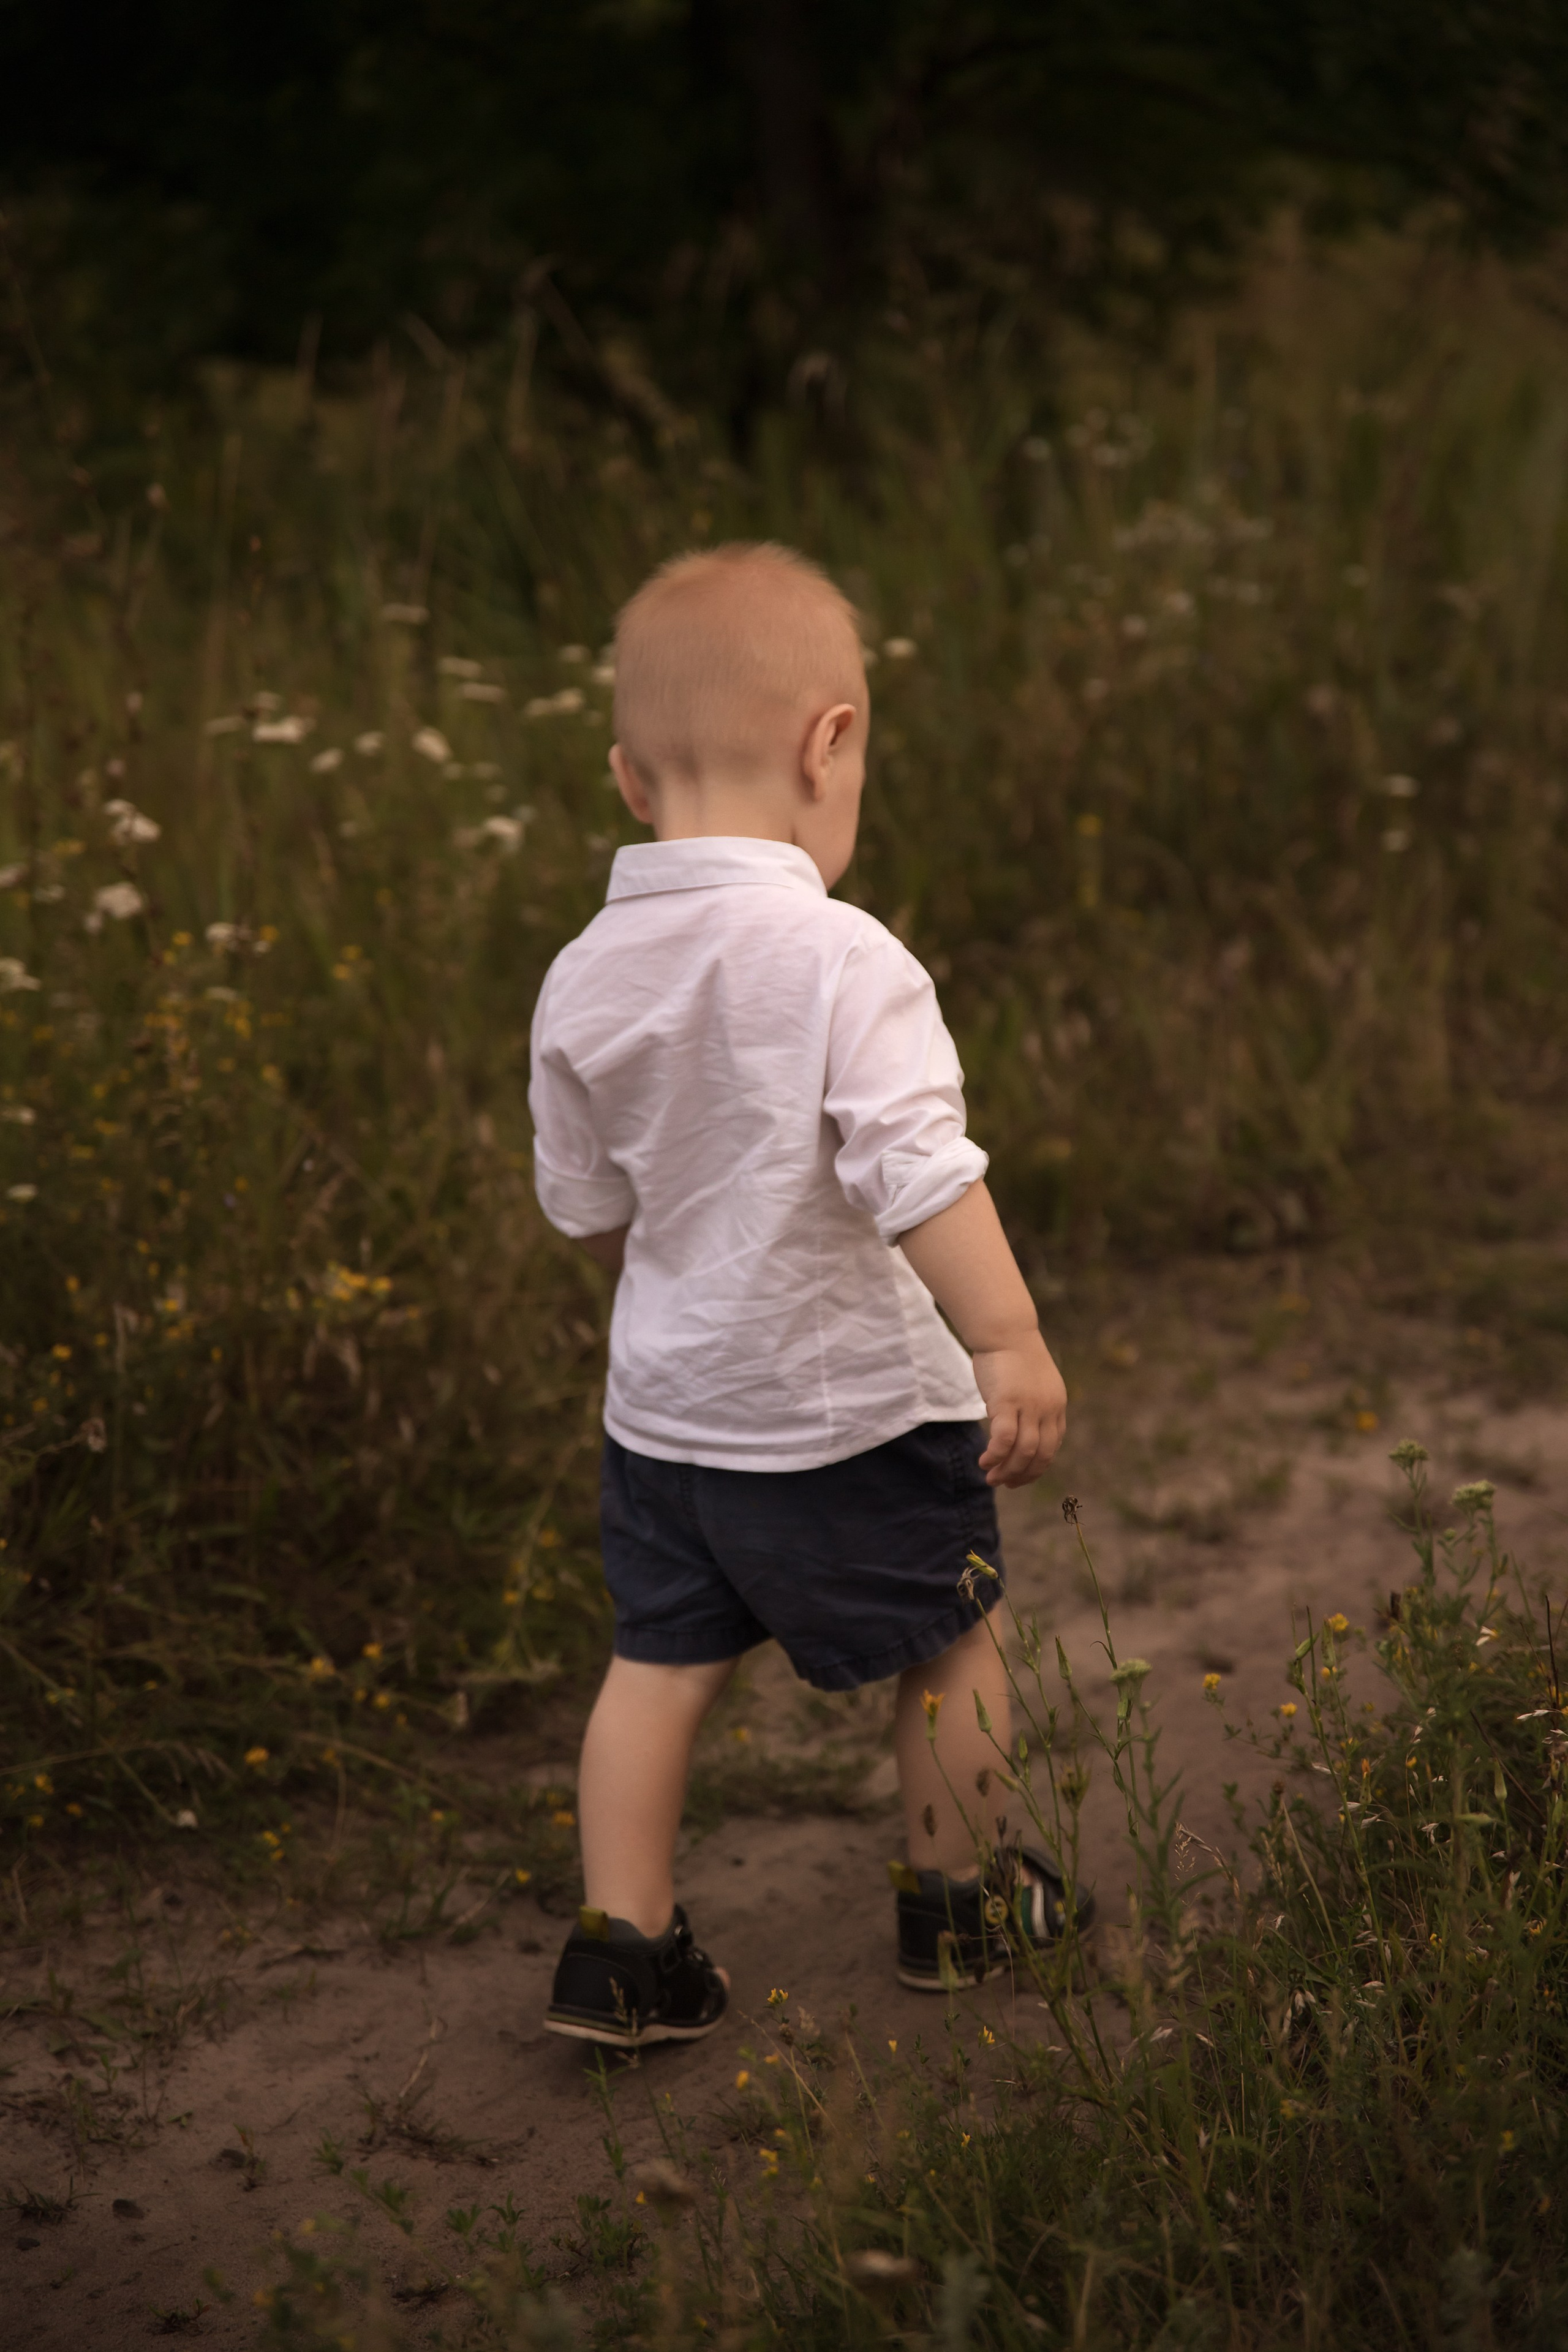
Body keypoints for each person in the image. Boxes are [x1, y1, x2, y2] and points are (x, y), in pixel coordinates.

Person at [528, 542, 1086, 2048]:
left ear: (631, 782)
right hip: (847, 1414)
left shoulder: (583, 971)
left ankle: (622, 1952)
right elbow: (918, 1170)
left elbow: (583, 1202)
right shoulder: (841, 958)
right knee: (951, 1636)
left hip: (666, 1421)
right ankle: (958, 1907)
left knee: (655, 1669)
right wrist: (1006, 1337)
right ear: (828, 743)